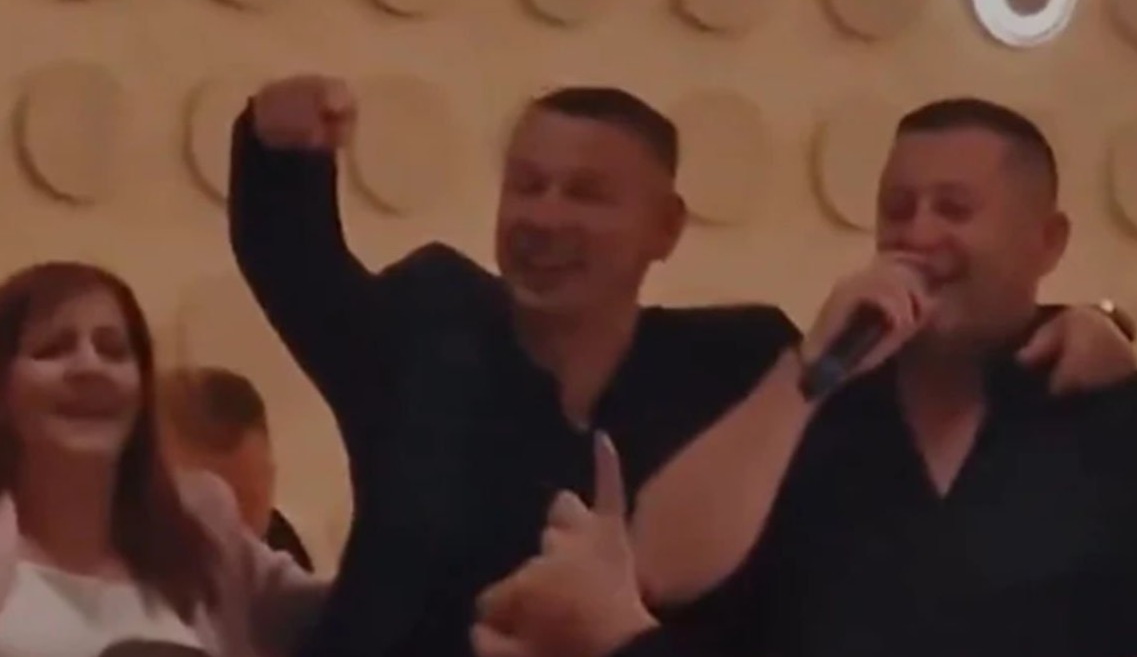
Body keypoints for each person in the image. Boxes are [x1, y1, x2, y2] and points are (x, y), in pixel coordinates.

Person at [229, 76, 1133, 657]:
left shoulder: (726, 359)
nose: (546, 217)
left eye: (586, 194)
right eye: (527, 187)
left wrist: (1105, 322)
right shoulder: (432, 330)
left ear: (664, 229)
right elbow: (300, 271)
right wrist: (278, 153)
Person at [473, 98, 1137, 657]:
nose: (917, 234)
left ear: (1046, 242)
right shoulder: (807, 395)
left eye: (953, 210)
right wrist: (808, 372)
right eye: (897, 209)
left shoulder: (1102, 403)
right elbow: (655, 569)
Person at [0, 262, 324, 657]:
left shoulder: (202, 522)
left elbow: (349, 615)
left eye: (114, 351)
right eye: (52, 349)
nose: (90, 367)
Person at [160, 365, 314, 572]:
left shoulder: (308, 550)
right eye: (207, 503)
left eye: (245, 501)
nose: (229, 525)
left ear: (270, 477)